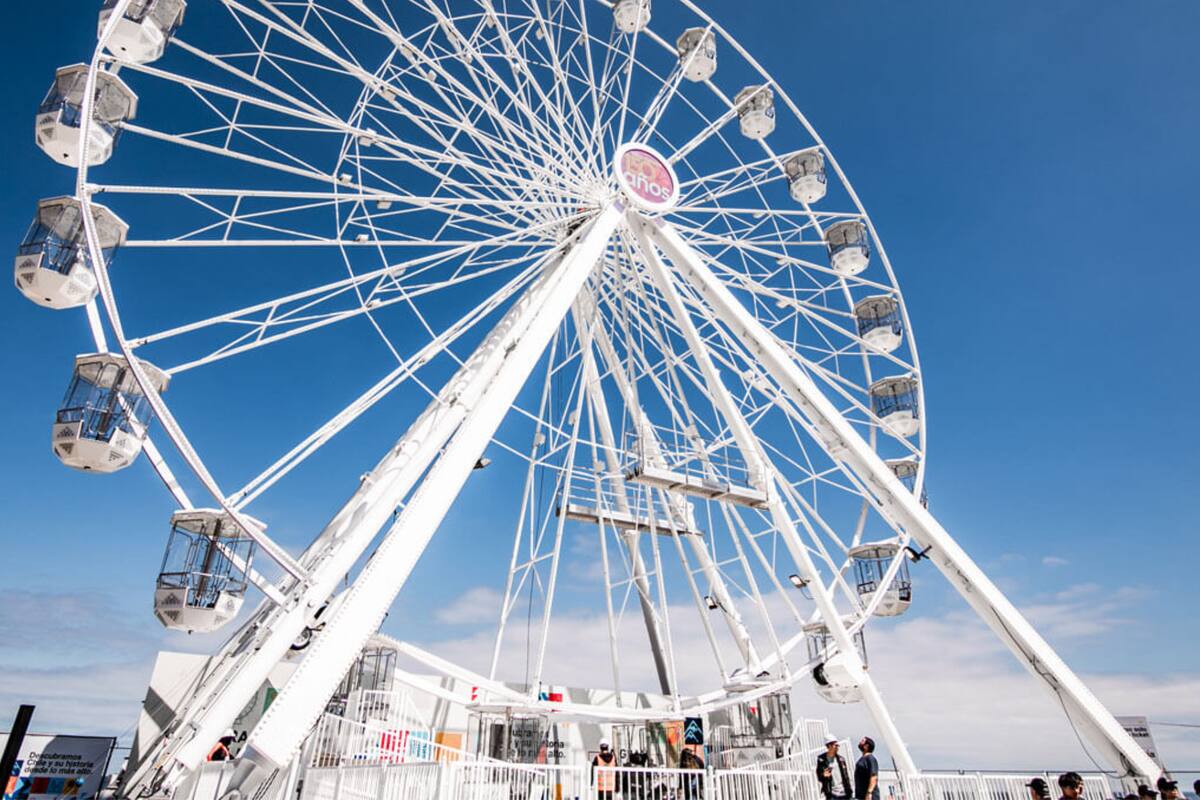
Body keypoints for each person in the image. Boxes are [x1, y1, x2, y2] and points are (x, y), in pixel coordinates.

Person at [817, 735, 852, 800]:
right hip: (832, 794)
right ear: (829, 746)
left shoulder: (841, 759)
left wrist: (849, 791)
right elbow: (819, 776)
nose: (837, 747)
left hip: (844, 792)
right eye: (835, 745)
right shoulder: (821, 759)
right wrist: (823, 775)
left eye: (838, 745)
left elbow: (846, 776)